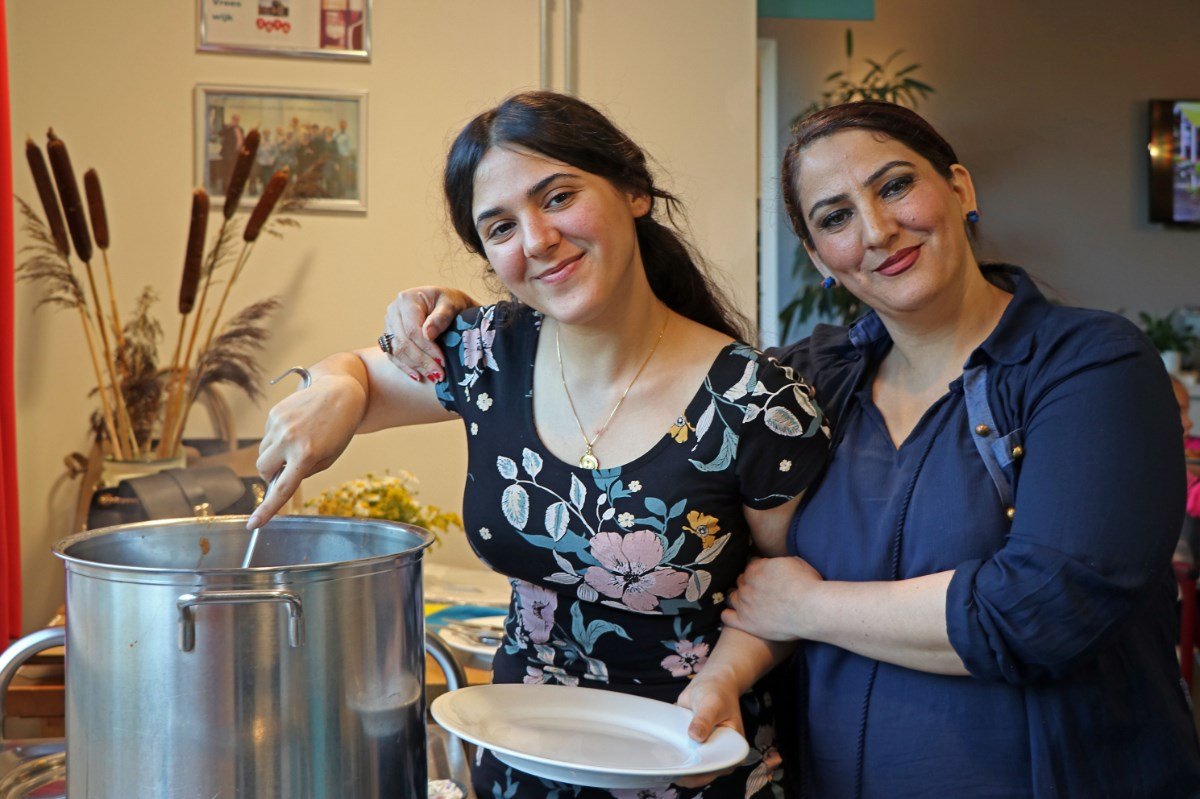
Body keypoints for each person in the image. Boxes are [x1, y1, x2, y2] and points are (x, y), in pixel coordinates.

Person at [387, 101, 1200, 797]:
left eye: (895, 185)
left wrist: (807, 605)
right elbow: (672, 402)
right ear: (818, 256)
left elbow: (1042, 609)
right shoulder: (814, 380)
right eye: (835, 217)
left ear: (959, 188)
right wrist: (453, 319)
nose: (876, 229)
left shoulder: (1088, 364)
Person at [250, 91, 830, 799]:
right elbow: (361, 376)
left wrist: (725, 678)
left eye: (558, 197)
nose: (536, 240)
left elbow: (788, 588)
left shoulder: (755, 401)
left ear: (634, 190)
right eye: (500, 227)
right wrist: (337, 384)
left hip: (693, 757)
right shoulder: (488, 354)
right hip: (521, 766)